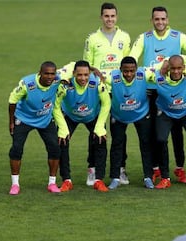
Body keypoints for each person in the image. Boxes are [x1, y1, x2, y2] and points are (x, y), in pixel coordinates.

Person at [130, 6, 186, 184]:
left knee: (178, 132)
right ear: (152, 21)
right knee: (156, 133)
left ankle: (179, 168)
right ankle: (157, 169)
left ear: (168, 20)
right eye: (157, 19)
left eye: (163, 19)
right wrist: (159, 68)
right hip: (152, 89)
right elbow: (132, 60)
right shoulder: (144, 38)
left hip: (175, 87)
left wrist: (173, 63)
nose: (160, 22)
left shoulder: (179, 37)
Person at [83, 2, 131, 185]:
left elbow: (128, 64)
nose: (109, 19)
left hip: (119, 92)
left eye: (112, 16)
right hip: (98, 92)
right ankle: (93, 169)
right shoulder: (92, 38)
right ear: (101, 17)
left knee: (119, 132)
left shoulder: (124, 37)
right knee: (96, 130)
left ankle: (120, 169)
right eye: (106, 16)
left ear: (116, 17)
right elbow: (86, 66)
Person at [149, 55, 186, 189]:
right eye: (173, 68)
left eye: (179, 68)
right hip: (166, 113)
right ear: (168, 68)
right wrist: (161, 65)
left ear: (184, 68)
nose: (176, 71)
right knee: (161, 140)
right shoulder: (158, 77)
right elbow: (142, 71)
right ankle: (165, 178)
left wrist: (167, 59)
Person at [54, 60, 111, 192]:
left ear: (89, 73)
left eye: (86, 75)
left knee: (100, 140)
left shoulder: (97, 82)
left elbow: (106, 103)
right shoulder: (65, 84)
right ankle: (66, 180)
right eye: (79, 75)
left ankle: (99, 180)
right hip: (70, 116)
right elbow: (55, 106)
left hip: (92, 115)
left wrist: (100, 125)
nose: (83, 78)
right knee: (61, 141)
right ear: (73, 74)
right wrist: (62, 127)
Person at [8, 61, 63, 195]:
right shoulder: (27, 84)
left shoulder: (58, 80)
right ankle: (15, 185)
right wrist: (11, 122)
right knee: (16, 149)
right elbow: (12, 100)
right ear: (40, 73)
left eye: (52, 74)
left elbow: (74, 67)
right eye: (46, 74)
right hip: (24, 118)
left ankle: (52, 183)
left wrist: (94, 70)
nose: (50, 77)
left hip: (44, 119)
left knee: (55, 148)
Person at [104, 56, 155, 189]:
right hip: (119, 116)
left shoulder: (144, 73)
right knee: (116, 144)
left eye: (132, 71)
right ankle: (115, 178)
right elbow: (97, 75)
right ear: (120, 69)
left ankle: (148, 177)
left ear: (136, 69)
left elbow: (161, 70)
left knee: (146, 144)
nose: (128, 74)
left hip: (141, 114)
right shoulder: (112, 77)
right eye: (125, 71)